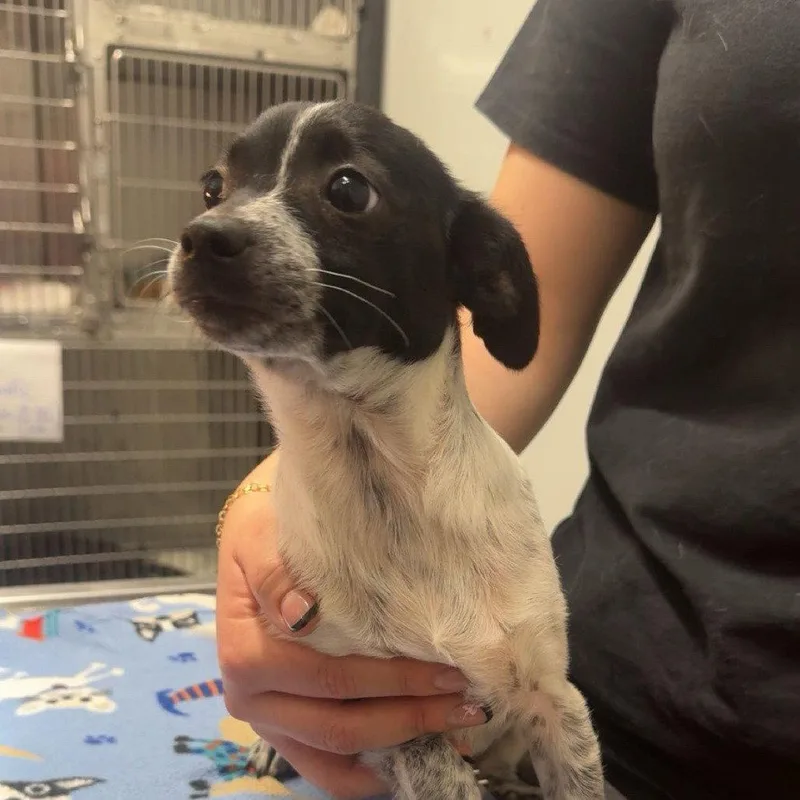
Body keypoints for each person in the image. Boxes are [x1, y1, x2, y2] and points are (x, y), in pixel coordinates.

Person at [215, 1, 800, 797]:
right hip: (648, 683)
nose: (216, 223)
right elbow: (523, 339)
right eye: (219, 187)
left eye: (345, 191)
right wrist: (253, 509)